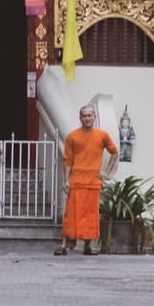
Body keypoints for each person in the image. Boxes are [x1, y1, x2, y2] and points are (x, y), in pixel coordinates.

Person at [57, 103, 118, 256]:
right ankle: (63, 245)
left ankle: (87, 247)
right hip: (76, 181)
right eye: (84, 116)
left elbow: (114, 152)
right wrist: (66, 180)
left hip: (93, 182)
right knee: (70, 215)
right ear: (80, 118)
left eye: (89, 115)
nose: (87, 118)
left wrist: (106, 173)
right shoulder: (72, 136)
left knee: (90, 216)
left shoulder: (102, 135)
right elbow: (68, 160)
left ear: (94, 117)